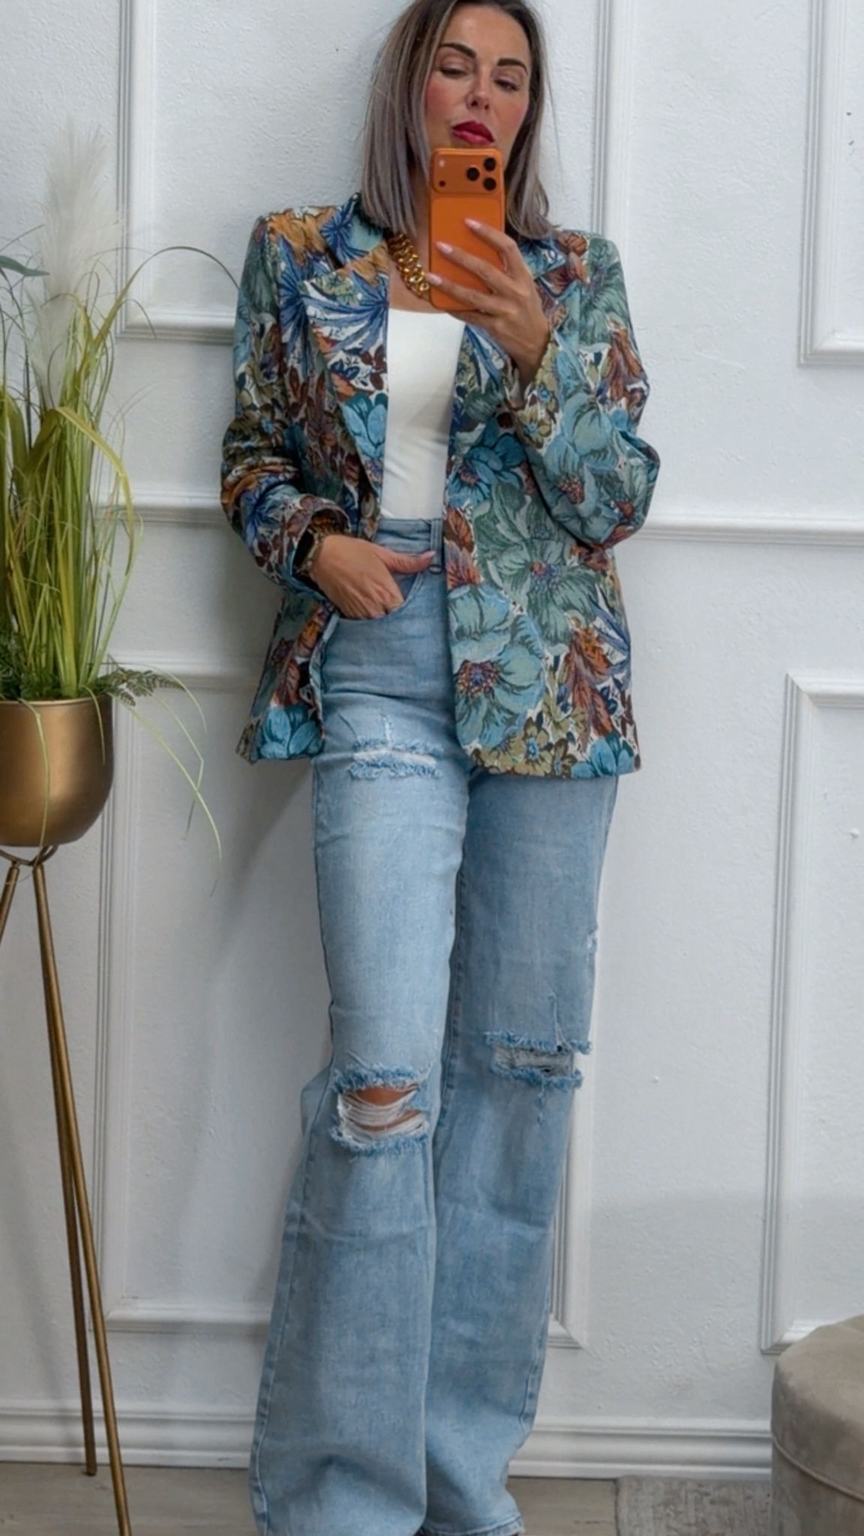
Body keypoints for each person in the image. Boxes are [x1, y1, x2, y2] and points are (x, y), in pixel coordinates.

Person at [220, 1, 661, 1531]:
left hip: (551, 697)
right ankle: (344, 1505)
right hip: (382, 682)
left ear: (529, 111)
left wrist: (537, 351)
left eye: (512, 76)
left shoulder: (576, 275)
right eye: (457, 65)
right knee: (384, 1088)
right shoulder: (302, 255)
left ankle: (463, 1484)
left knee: (521, 1080)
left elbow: (614, 496)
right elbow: (250, 453)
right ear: (410, 86)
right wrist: (313, 543)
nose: (482, 95)